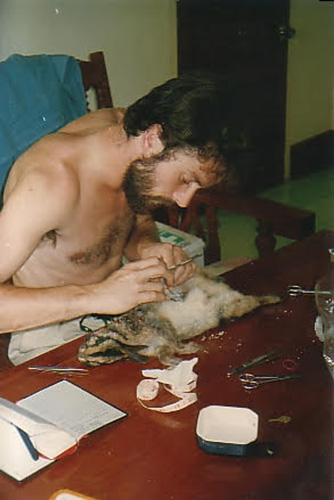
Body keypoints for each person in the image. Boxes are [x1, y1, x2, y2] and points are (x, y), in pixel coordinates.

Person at [0, 75, 231, 362]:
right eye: (185, 179)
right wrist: (96, 296)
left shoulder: (132, 145)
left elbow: (137, 222)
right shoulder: (49, 184)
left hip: (117, 309)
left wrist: (147, 249)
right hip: (50, 335)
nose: (184, 201)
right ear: (152, 138)